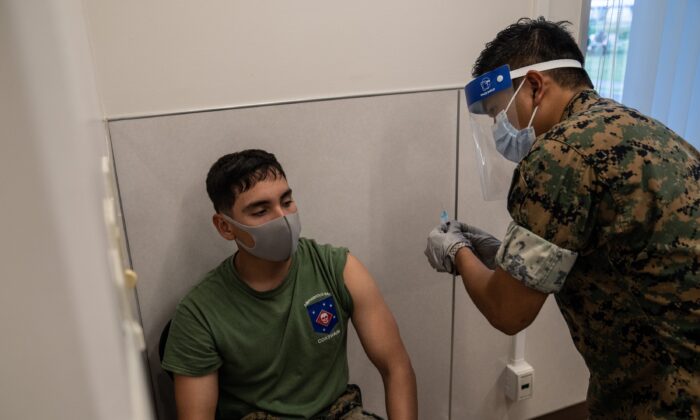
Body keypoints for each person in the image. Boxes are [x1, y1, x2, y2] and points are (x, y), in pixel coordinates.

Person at [424, 18, 699, 419]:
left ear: (534, 86)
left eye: (500, 111)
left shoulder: (559, 154)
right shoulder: (642, 129)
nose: (502, 129)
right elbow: (612, 252)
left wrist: (457, 250)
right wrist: (502, 255)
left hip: (664, 392)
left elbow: (508, 312)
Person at [162, 149, 417, 420]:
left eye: (286, 201)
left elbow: (396, 367)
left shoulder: (338, 268)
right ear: (226, 227)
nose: (282, 217)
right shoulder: (199, 313)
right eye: (260, 211)